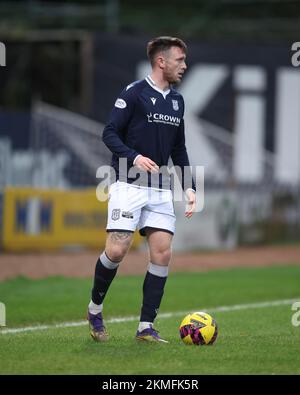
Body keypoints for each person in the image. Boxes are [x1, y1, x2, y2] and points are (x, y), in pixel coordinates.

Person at [87, 36, 196, 343]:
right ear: (161, 62)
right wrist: (134, 156)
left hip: (160, 188)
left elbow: (179, 148)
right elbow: (109, 132)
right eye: (179, 60)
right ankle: (95, 309)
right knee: (118, 249)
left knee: (162, 254)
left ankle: (145, 326)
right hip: (127, 182)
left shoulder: (178, 101)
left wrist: (189, 187)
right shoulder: (133, 94)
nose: (184, 66)